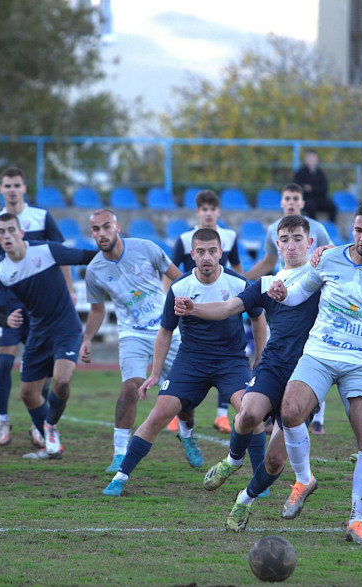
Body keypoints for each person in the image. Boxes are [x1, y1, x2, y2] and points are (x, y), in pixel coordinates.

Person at [266, 200, 362, 546]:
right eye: (357, 229)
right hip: (318, 353)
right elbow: (296, 294)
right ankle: (304, 480)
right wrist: (280, 292)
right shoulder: (329, 258)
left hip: (359, 362)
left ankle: (357, 522)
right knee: (289, 412)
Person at [174, 215, 322, 531]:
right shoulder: (266, 283)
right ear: (277, 244)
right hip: (272, 366)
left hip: (309, 374)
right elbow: (228, 308)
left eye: (298, 238)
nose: (291, 244)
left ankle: (245, 500)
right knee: (247, 416)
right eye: (285, 238)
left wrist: (332, 250)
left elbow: (354, 257)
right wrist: (193, 308)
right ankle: (233, 460)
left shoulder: (322, 275)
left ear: (309, 243)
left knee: (273, 460)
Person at [102, 228, 268, 497]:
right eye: (200, 251)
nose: (207, 257)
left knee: (251, 413)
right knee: (158, 414)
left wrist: (259, 358)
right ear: (192, 254)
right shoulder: (180, 288)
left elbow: (259, 318)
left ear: (220, 253)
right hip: (191, 361)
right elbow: (165, 331)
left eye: (212, 251)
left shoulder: (238, 283)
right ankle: (121, 477)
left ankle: (260, 480)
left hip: (231, 362)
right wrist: (155, 374)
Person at [79, 208, 197, 473]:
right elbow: (98, 310)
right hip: (132, 334)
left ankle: (187, 435)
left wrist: (195, 311)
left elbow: (179, 279)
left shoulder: (147, 248)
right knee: (130, 387)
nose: (101, 233)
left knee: (184, 399)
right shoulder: (95, 270)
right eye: (96, 229)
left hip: (167, 331)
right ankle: (120, 453)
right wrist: (87, 338)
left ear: (117, 227)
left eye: (106, 226)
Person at [0, 213, 97, 460]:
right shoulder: (0, 273)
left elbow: (84, 256)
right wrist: (7, 320)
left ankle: (49, 427)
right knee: (27, 393)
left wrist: (116, 253)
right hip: (38, 334)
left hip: (66, 329)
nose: (7, 236)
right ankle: (51, 440)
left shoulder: (47, 251)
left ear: (21, 232)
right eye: (2, 232)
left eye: (11, 230)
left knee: (61, 381)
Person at [0, 167, 73, 446]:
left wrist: (68, 289)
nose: (11, 189)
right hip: (11, 301)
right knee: (4, 362)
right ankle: (2, 419)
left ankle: (38, 425)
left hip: (41, 303)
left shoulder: (41, 217)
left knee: (41, 368)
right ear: (0, 189)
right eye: (7, 185)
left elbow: (61, 255)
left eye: (16, 185)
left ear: (24, 188)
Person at [245, 182, 334, 434]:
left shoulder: (317, 229)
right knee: (279, 343)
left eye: (296, 198)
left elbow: (331, 256)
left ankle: (317, 416)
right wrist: (246, 280)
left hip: (310, 290)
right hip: (282, 288)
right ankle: (273, 407)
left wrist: (329, 249)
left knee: (310, 352)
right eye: (288, 198)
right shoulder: (273, 229)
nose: (292, 202)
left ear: (302, 202)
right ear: (282, 202)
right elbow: (269, 262)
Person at [169, 189, 244, 433]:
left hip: (225, 303)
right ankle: (178, 409)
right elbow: (172, 271)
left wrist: (242, 294)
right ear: (197, 212)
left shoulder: (229, 236)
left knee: (228, 353)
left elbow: (237, 268)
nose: (209, 213)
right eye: (204, 209)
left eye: (213, 209)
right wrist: (171, 298)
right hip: (193, 308)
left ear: (218, 211)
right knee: (191, 357)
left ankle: (222, 415)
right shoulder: (184, 238)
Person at [294, 150, 335, 223]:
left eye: (313, 158)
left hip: (319, 198)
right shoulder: (300, 172)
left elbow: (324, 189)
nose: (311, 160)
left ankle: (331, 226)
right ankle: (314, 226)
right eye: (309, 158)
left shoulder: (320, 173)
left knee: (332, 206)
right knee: (311, 206)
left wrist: (311, 188)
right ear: (305, 159)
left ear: (317, 160)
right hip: (306, 199)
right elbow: (298, 187)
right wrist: (309, 189)